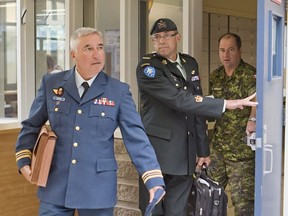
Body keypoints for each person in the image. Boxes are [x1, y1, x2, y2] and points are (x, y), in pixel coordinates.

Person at [15, 27, 165, 216]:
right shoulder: (51, 84)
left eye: (100, 47)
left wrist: (153, 179)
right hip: (56, 185)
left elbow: (137, 138)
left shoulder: (118, 91)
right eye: (88, 48)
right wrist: (23, 160)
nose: (97, 54)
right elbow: (31, 125)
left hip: (97, 190)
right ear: (73, 54)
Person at [136, 18, 257, 216]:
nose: (162, 41)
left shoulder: (189, 63)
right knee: (153, 210)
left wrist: (203, 150)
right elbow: (179, 100)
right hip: (157, 154)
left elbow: (196, 108)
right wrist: (225, 104)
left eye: (167, 36)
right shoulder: (148, 67)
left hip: (185, 153)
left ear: (178, 37)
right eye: (157, 37)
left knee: (179, 211)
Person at [208, 32, 256, 216]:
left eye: (230, 50)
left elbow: (257, 101)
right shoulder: (216, 76)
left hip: (241, 153)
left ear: (239, 50)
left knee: (243, 205)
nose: (225, 55)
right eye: (222, 50)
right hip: (218, 149)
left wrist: (252, 120)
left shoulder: (250, 74)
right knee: (209, 197)